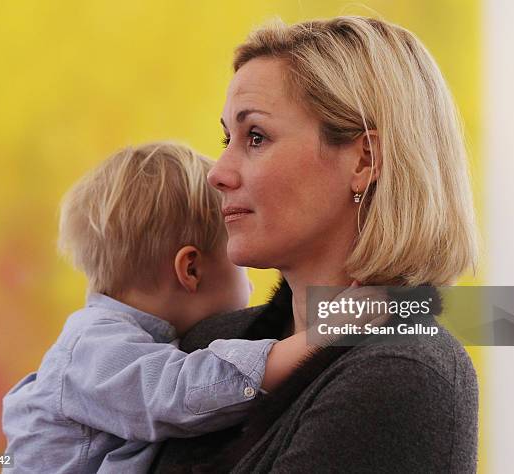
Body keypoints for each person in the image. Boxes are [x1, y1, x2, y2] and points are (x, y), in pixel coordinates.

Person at [151, 16, 479, 473]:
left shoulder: (404, 373)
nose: (218, 173)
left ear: (365, 160)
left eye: (256, 137)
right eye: (227, 138)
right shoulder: (209, 341)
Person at [1, 142, 348, 473]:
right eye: (238, 263)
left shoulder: (120, 341)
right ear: (191, 270)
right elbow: (184, 392)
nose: (252, 282)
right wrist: (328, 332)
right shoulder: (92, 347)